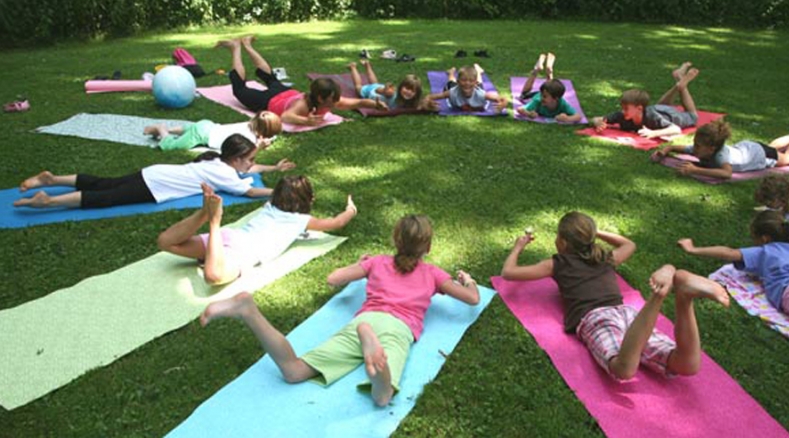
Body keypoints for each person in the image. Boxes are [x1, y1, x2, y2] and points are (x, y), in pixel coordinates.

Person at [199, 214, 480, 405]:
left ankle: (248, 311)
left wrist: (362, 265)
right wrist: (468, 281)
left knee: (294, 371)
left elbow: (333, 278)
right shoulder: (433, 274)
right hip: (398, 328)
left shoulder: (377, 262)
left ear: (396, 240)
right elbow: (472, 299)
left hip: (365, 320)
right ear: (427, 246)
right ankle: (375, 367)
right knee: (382, 398)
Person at [500, 211, 729, 380]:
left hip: (596, 318)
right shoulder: (605, 258)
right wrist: (592, 233)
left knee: (622, 369)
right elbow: (629, 244)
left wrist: (519, 246)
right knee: (686, 365)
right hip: (628, 314)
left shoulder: (557, 263)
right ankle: (684, 297)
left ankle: (658, 296)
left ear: (562, 242)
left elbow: (508, 273)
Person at [157, 177, 356, 285]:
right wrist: (350, 210)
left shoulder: (269, 206)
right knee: (214, 276)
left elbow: (164, 242)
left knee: (165, 242)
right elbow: (336, 222)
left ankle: (204, 213)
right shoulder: (301, 220)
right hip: (245, 251)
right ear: (310, 200)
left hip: (231, 237)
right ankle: (213, 220)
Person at [14, 134, 293, 209]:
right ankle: (50, 200)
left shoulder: (216, 161)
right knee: (107, 198)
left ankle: (53, 179)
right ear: (236, 158)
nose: (251, 165)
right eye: (249, 160)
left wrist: (272, 165)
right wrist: (279, 191)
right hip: (154, 187)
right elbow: (250, 191)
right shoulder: (226, 175)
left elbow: (249, 169)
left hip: (154, 173)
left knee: (105, 183)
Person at [217, 36, 387, 127]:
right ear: (320, 98)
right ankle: (236, 47)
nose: (335, 102)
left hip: (286, 93)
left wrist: (375, 104)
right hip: (270, 100)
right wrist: (306, 121)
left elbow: (356, 102)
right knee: (239, 89)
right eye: (332, 100)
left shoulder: (331, 100)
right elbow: (286, 116)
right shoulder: (303, 105)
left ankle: (247, 44)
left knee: (270, 77)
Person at [651, 121, 789, 179]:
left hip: (758, 155)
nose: (694, 148)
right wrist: (667, 149)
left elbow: (726, 174)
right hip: (749, 148)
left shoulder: (721, 157)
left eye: (697, 146)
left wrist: (695, 170)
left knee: (787, 159)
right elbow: (682, 148)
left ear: (711, 149)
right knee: (771, 147)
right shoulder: (703, 150)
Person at [591, 62, 700, 139]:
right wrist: (598, 123)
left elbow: (676, 129)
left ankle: (681, 87)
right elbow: (595, 118)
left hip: (671, 116)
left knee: (693, 116)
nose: (623, 111)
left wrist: (653, 133)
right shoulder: (622, 116)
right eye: (622, 108)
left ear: (639, 108)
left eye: (626, 109)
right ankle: (679, 80)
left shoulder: (652, 117)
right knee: (661, 105)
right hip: (658, 109)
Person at [143, 110, 282, 152]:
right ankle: (162, 129)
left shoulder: (248, 124)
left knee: (189, 130)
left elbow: (271, 134)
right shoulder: (248, 139)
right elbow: (249, 153)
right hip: (202, 135)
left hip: (208, 125)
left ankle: (169, 129)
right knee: (172, 146)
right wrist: (260, 146)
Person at [515, 53, 581, 123]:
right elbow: (520, 109)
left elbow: (578, 116)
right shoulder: (538, 101)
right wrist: (528, 114)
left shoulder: (562, 104)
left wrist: (567, 119)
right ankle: (536, 71)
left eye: (544, 97)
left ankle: (545, 70)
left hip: (548, 92)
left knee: (550, 87)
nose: (542, 98)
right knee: (524, 95)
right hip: (536, 95)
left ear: (556, 99)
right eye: (542, 96)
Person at [347, 60, 436, 111]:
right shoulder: (391, 93)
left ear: (416, 94)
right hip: (371, 92)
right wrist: (383, 91)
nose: (409, 92)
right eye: (407, 88)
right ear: (401, 87)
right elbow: (377, 90)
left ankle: (367, 65)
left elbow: (419, 105)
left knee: (375, 82)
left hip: (379, 87)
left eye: (412, 91)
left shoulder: (411, 101)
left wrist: (426, 106)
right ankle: (353, 67)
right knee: (358, 87)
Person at [426, 64, 508, 112]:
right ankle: (451, 72)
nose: (467, 83)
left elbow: (503, 99)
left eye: (470, 81)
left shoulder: (481, 94)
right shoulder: (452, 92)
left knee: (480, 83)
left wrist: (503, 104)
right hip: (457, 88)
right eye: (463, 80)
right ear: (458, 82)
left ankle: (478, 71)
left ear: (475, 83)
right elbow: (429, 97)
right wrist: (428, 102)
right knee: (451, 82)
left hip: (476, 90)